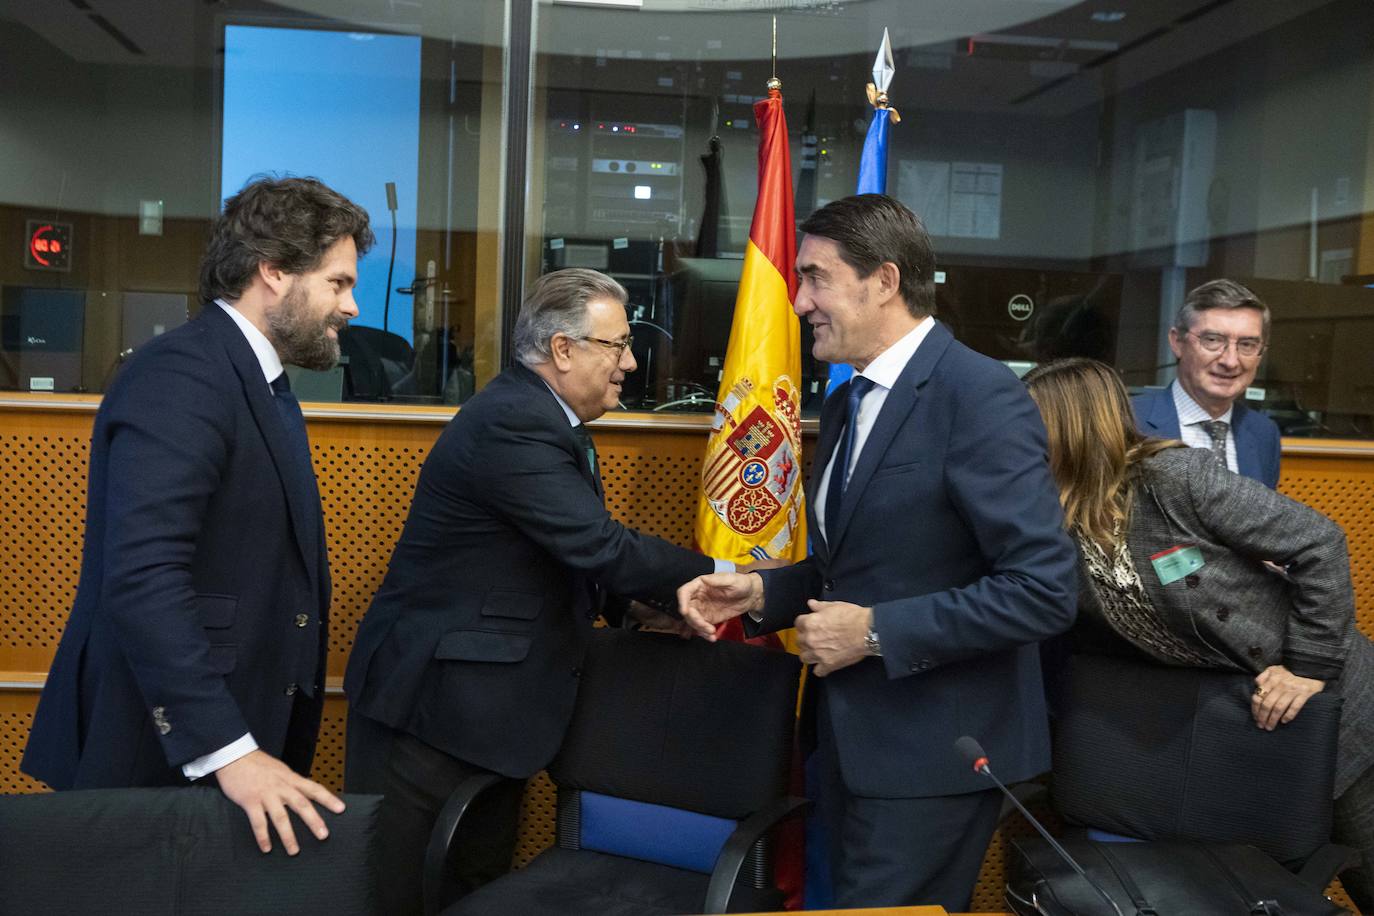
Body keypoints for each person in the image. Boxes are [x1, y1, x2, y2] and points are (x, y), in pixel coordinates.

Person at [677, 194, 1077, 910]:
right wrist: (764, 593)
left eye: (816, 278)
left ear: (885, 281)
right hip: (847, 744)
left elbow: (1043, 590)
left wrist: (871, 632)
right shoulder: (848, 399)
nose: (799, 301)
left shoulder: (977, 396)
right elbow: (860, 564)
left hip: (931, 758)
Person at [343, 268, 734, 916]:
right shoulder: (514, 422)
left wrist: (635, 608)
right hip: (432, 714)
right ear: (563, 349)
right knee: (404, 897)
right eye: (618, 345)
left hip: (492, 716)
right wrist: (726, 576)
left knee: (472, 891)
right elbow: (598, 544)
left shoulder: (548, 421)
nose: (631, 364)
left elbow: (559, 553)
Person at [22, 176, 374, 855]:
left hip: (221, 741)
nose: (352, 306)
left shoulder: (255, 378)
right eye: (337, 283)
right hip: (159, 749)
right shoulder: (183, 375)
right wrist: (228, 749)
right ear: (273, 271)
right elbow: (145, 577)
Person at [1025, 356, 1374, 910]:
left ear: (1070, 427)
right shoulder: (1056, 520)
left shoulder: (1175, 479)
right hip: (1242, 722)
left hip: (1332, 705)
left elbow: (1319, 543)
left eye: (1028, 423)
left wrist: (1309, 668)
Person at [1133, 279, 1281, 486]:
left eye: (1247, 344)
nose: (1230, 361)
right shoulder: (1127, 421)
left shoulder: (1263, 433)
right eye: (1212, 340)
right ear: (1177, 342)